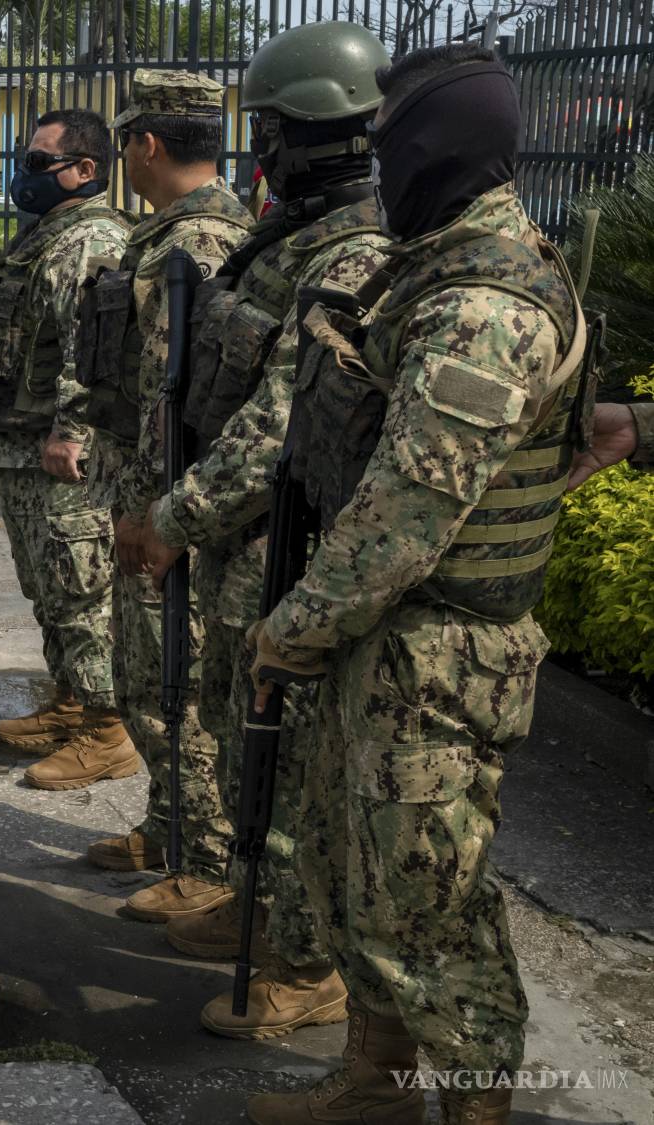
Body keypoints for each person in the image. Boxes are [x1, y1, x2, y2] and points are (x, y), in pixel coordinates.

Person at [245, 44, 588, 1125]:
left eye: (386, 143)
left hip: (433, 656)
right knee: (356, 883)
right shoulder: (427, 264)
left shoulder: (482, 304)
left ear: (432, 149)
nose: (370, 165)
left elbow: (402, 522)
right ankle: (373, 1086)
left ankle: (474, 1110)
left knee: (430, 912)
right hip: (386, 643)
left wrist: (284, 633)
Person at [127, 22, 392, 1040]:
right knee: (245, 750)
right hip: (248, 552)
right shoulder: (288, 239)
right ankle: (261, 908)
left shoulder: (352, 252)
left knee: (286, 766)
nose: (261, 150)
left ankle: (301, 962)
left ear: (322, 135)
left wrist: (171, 520)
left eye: (276, 130)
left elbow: (277, 422)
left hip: (296, 550)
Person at [57, 69, 249, 915]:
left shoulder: (191, 246)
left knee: (176, 683)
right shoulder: (208, 233)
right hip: (162, 495)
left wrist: (156, 513)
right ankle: (170, 824)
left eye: (129, 146)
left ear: (146, 145)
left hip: (175, 505)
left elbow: (180, 402)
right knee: (154, 677)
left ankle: (204, 864)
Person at [0, 109, 138, 791]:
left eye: (40, 161)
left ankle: (107, 729)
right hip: (22, 440)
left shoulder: (91, 238)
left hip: (59, 450)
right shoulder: (47, 235)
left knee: (79, 586)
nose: (24, 172)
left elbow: (86, 349)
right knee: (46, 585)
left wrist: (72, 431)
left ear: (84, 169)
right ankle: (71, 701)